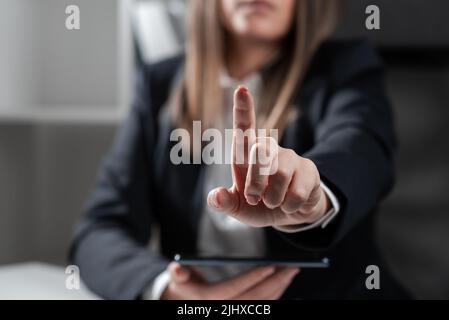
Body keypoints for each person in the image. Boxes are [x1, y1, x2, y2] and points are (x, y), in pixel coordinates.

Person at [70, 0, 409, 299]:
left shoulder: (346, 67)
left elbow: (362, 148)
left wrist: (313, 196)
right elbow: (99, 231)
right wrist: (167, 290)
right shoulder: (159, 85)